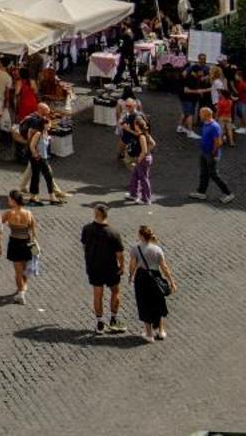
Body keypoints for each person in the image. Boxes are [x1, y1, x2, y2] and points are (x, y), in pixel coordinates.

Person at [80, 202, 125, 333]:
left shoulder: (86, 229)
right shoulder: (113, 233)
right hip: (110, 268)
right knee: (115, 291)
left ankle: (100, 323)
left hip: (93, 267)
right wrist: (122, 266)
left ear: (96, 214)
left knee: (97, 294)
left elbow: (84, 246)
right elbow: (119, 254)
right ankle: (114, 319)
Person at [127, 225, 176, 341]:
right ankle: (161, 331)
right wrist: (171, 281)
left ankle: (149, 334)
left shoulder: (136, 248)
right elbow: (164, 267)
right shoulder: (157, 249)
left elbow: (132, 265)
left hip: (142, 278)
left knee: (144, 304)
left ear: (141, 236)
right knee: (157, 303)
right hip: (155, 278)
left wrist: (131, 276)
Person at [2, 190, 38, 304]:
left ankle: (21, 293)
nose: (8, 201)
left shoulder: (9, 213)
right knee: (25, 269)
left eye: (9, 199)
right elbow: (33, 231)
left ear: (13, 200)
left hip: (15, 243)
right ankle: (22, 287)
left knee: (18, 271)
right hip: (27, 243)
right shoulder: (28, 213)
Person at [20, 104, 62, 203]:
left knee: (45, 176)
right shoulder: (38, 131)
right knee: (39, 176)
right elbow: (32, 145)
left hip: (43, 158)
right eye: (49, 124)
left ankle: (48, 196)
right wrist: (35, 154)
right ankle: (39, 196)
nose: (50, 125)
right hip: (38, 158)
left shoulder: (45, 133)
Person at [193, 105, 233, 203]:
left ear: (206, 115)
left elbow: (218, 142)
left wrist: (213, 153)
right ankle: (201, 192)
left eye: (200, 114)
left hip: (210, 154)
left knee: (214, 175)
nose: (199, 115)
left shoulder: (214, 126)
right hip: (204, 153)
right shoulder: (206, 124)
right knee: (204, 173)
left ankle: (228, 193)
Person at [125, 114, 157, 205]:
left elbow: (144, 150)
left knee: (143, 179)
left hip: (142, 160)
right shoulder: (144, 133)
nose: (133, 126)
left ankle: (146, 199)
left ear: (138, 126)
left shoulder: (142, 137)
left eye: (135, 124)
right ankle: (133, 193)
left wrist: (139, 159)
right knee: (135, 176)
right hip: (145, 158)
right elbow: (153, 143)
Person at [178, 58, 211, 137]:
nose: (202, 73)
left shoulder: (196, 77)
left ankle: (180, 127)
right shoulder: (190, 78)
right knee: (190, 114)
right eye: (201, 72)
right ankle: (190, 131)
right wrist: (198, 92)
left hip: (192, 98)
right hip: (186, 98)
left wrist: (201, 91)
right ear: (197, 71)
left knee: (186, 113)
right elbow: (186, 90)